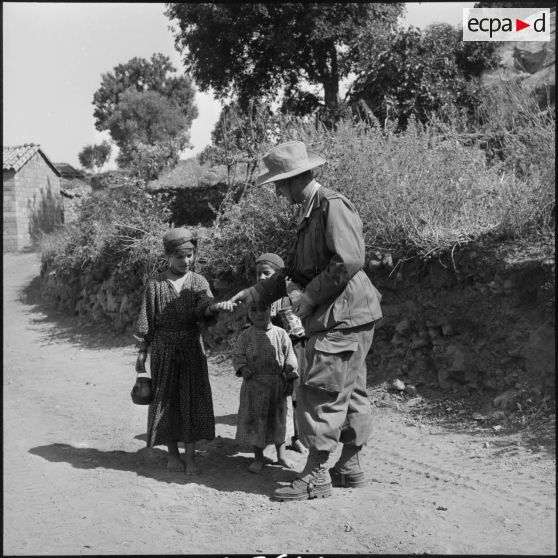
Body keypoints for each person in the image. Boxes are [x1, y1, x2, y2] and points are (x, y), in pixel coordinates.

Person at [230, 141, 383, 501]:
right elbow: (294, 272)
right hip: (349, 314)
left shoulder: (331, 206)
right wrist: (256, 293)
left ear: (295, 178)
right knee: (350, 390)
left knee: (321, 392)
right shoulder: (311, 212)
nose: (278, 192)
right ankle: (349, 464)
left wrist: (310, 297)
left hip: (342, 314)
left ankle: (316, 474)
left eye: (279, 184)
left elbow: (348, 260)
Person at [135, 227, 234, 474]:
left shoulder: (199, 282)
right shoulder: (155, 284)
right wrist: (142, 352)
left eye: (190, 255)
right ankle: (172, 454)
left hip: (191, 348)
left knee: (191, 400)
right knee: (167, 401)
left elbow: (205, 308)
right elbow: (147, 320)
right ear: (168, 256)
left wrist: (214, 309)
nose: (186, 261)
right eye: (180, 256)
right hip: (163, 349)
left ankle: (190, 457)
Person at [232, 300, 299, 473]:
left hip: (277, 386)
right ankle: (258, 458)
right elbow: (237, 354)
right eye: (253, 310)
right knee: (256, 422)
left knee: (279, 422)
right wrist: (243, 368)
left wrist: (289, 376)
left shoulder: (281, 333)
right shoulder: (246, 335)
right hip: (253, 387)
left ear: (272, 309)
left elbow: (290, 356)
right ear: (248, 313)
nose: (259, 313)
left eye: (263, 308)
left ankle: (282, 456)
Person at [255, 253, 307, 455]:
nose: (261, 277)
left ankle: (299, 437)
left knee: (297, 394)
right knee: (273, 397)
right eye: (258, 273)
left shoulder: (291, 295)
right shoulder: (259, 298)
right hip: (271, 353)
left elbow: (302, 324)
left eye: (266, 273)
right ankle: (274, 439)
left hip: (296, 349)